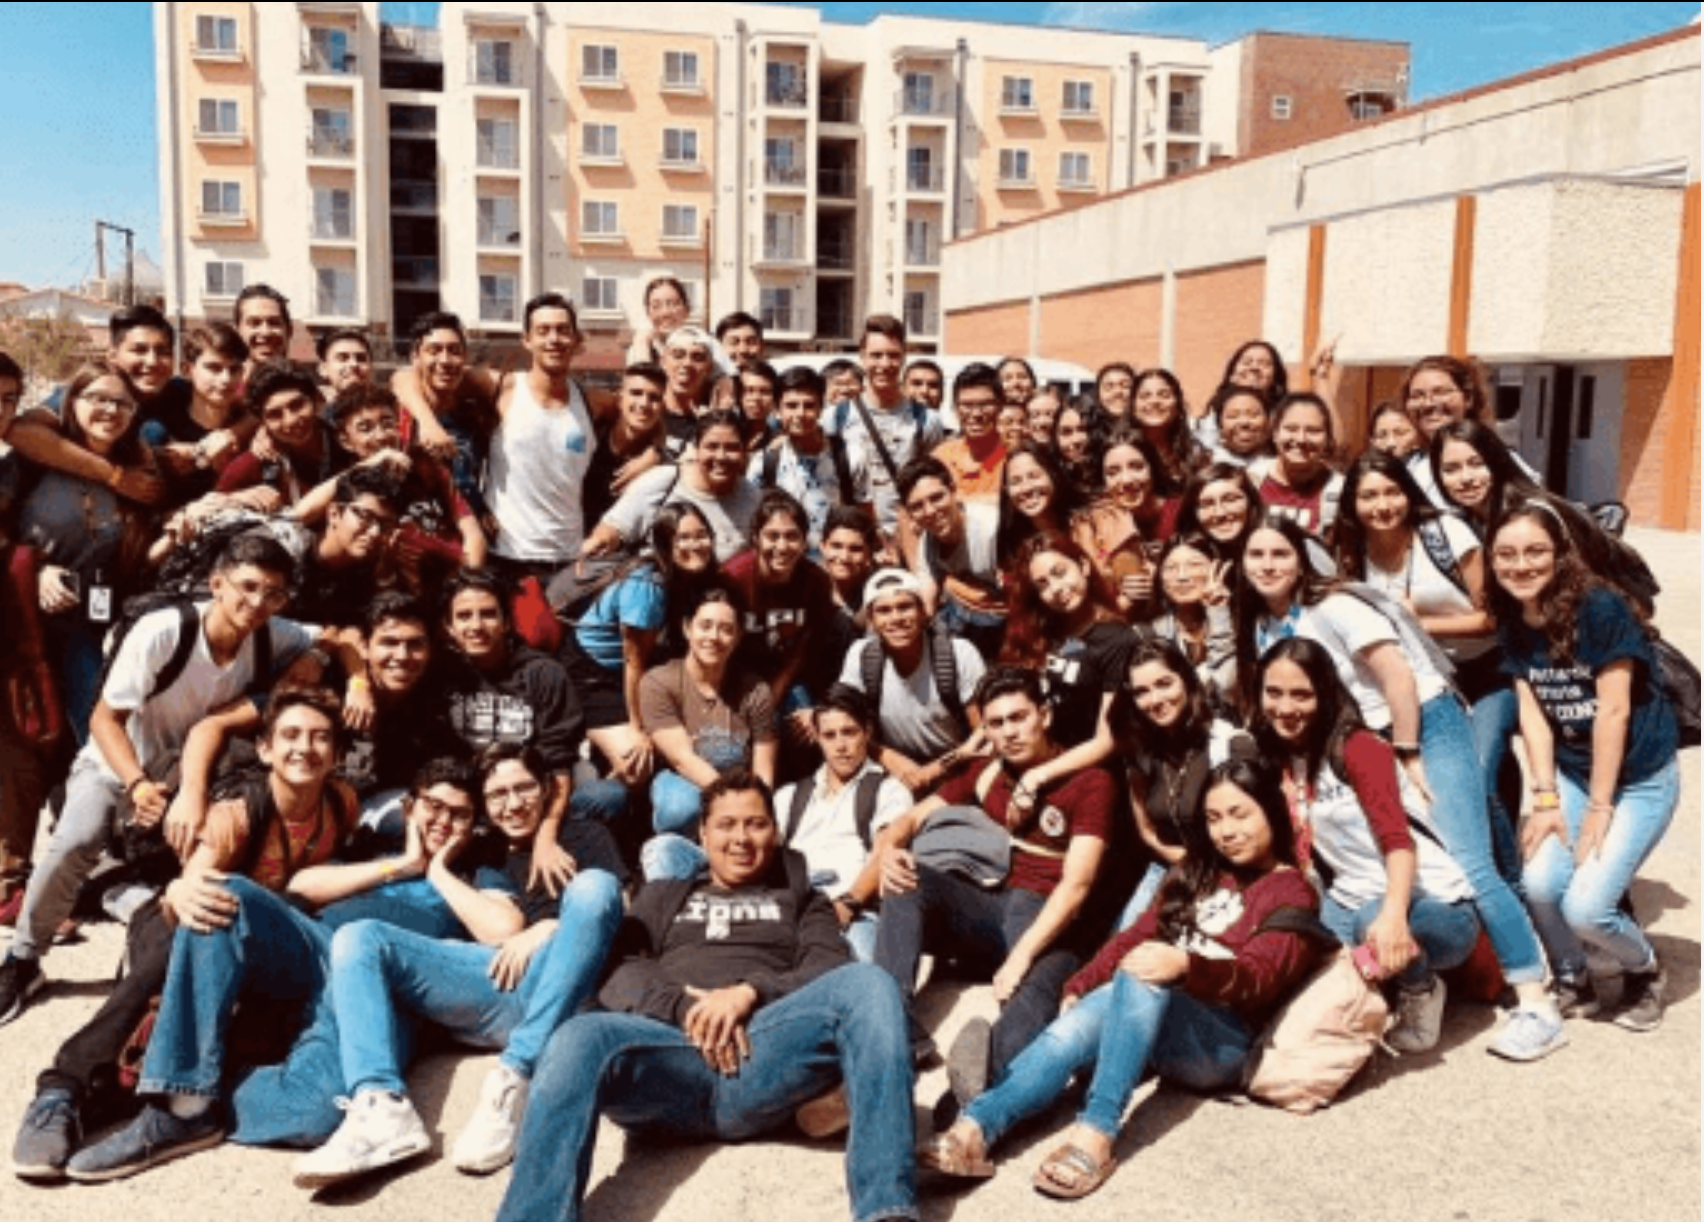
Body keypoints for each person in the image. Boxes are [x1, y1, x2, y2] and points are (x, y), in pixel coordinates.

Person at [492, 769, 918, 1222]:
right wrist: (685, 1006)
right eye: (726, 825)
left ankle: (885, 1209)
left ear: (774, 831)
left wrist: (749, 992)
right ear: (702, 833)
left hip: (761, 1055)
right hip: (668, 1060)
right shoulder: (663, 895)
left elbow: (829, 966)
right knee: (578, 1036)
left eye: (755, 823)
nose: (741, 838)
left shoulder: (802, 900)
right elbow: (618, 969)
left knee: (871, 983)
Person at [1235, 514, 1565, 1060]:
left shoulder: (1335, 607)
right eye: (1256, 556)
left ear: (1301, 561)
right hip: (1360, 737)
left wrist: (1408, 752)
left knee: (1467, 861)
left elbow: (1399, 677)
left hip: (1422, 723)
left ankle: (1536, 999)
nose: (1268, 566)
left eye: (1280, 554)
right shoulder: (1264, 624)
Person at [11, 689, 375, 1181]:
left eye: (320, 738)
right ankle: (64, 1086)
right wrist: (182, 890)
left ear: (337, 753)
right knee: (194, 926)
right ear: (265, 749)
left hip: (255, 946)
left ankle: (130, 1093)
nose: (304, 748)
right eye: (290, 735)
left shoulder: (341, 803)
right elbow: (192, 887)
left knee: (248, 1029)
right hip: (184, 920)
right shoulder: (241, 812)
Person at [922, 759, 1319, 1200]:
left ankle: (1096, 1131)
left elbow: (1259, 979)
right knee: (1108, 992)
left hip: (1221, 1042)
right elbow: (1137, 932)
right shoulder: (1197, 870)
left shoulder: (1291, 891)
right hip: (1160, 1017)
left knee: (1146, 970)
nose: (1226, 831)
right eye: (1214, 818)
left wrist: (1186, 965)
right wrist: (1080, 985)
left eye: (1240, 814)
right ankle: (977, 1126)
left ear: (1271, 811)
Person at [0, 532, 332, 1026]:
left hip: (193, 775)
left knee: (201, 867)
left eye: (273, 593)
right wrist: (136, 784)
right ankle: (23, 960)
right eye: (247, 587)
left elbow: (339, 636)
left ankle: (143, 937)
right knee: (75, 841)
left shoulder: (271, 632)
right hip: (121, 764)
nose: (258, 602)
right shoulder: (163, 631)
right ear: (216, 584)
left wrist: (325, 664)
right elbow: (103, 720)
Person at [292, 745, 631, 1188]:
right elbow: (497, 929)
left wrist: (548, 928)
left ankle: (514, 1077)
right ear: (484, 810)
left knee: (593, 886)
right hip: (498, 983)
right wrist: (433, 870)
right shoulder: (482, 852)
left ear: (546, 789)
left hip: (564, 976)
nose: (513, 803)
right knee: (361, 937)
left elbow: (616, 903)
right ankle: (381, 1107)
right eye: (498, 794)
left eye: (524, 788)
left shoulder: (582, 834)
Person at [874, 666, 1114, 1098]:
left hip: (1051, 920)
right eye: (996, 724)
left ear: (1045, 716)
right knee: (906, 879)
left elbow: (1076, 887)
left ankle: (969, 1096)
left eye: (1019, 718)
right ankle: (891, 1026)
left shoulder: (1089, 782)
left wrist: (1020, 958)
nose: (1009, 733)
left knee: (1035, 994)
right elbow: (908, 819)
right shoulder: (987, 771)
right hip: (994, 907)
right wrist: (890, 849)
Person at [1487, 502, 1680, 1032]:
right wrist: (1546, 797)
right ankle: (1578, 976)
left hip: (1638, 778)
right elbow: (1534, 709)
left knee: (1587, 907)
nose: (1520, 565)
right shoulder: (1511, 612)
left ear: (1559, 554)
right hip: (1572, 773)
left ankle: (1644, 970)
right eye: (1506, 554)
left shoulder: (1599, 607)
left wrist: (1600, 807)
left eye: (1534, 552)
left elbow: (1613, 710)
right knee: (1542, 884)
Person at [1251, 638, 1482, 1054]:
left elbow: (1398, 842)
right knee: (1310, 981)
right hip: (1348, 896)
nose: (1285, 708)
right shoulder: (1281, 754)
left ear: (1326, 692)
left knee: (1372, 922)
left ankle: (1421, 990)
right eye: (1274, 693)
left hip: (1434, 906)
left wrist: (1393, 916)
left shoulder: (1359, 747)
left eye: (1302, 694)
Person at [1335, 451, 1520, 880]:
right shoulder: (1351, 550)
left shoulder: (1443, 533)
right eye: (1368, 496)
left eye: (1391, 492)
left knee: (1479, 772)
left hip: (1485, 672)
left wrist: (1418, 622)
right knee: (1434, 788)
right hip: (1425, 682)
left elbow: (1493, 616)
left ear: (1408, 492)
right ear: (1352, 504)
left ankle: (1511, 885)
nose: (1382, 505)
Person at [12, 360, 160, 744]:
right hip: (30, 620)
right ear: (71, 401)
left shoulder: (141, 470)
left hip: (96, 625)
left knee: (97, 732)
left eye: (122, 403)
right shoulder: (36, 459)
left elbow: (141, 560)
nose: (110, 411)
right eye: (97, 398)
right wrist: (38, 570)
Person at [438, 568, 622, 852]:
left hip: (534, 798)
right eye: (464, 616)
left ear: (507, 621)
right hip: (472, 801)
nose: (476, 626)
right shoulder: (441, 677)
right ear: (448, 627)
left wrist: (546, 835)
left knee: (608, 795)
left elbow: (558, 761)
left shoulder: (543, 674)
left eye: (488, 614)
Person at [557, 503, 717, 787]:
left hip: (647, 668)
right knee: (637, 764)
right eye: (683, 538)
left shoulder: (696, 579)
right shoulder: (648, 586)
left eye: (702, 535)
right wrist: (639, 729)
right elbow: (634, 661)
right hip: (595, 673)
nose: (695, 544)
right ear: (666, 545)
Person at [1431, 420, 1657, 614]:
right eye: (1451, 469)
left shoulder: (1530, 514)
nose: (1466, 478)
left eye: (1477, 464)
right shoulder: (1469, 519)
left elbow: (1571, 591)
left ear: (1497, 461)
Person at [768, 687, 914, 961]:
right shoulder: (789, 796)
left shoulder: (889, 791)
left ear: (867, 732)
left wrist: (847, 904)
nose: (840, 746)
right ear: (817, 738)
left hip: (854, 913)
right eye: (830, 735)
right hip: (793, 910)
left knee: (865, 974)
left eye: (849, 732)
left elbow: (884, 851)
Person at [1120, 639, 1254, 921]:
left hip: (1228, 872)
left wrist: (1204, 871)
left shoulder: (1228, 745)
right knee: (1121, 955)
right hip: (1167, 867)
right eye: (1141, 692)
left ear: (1187, 680)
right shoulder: (1141, 750)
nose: (1155, 700)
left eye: (1164, 684)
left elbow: (1253, 833)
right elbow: (1146, 828)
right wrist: (1180, 860)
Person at [638, 583, 778, 850]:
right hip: (685, 780)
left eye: (726, 630)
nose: (714, 637)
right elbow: (682, 759)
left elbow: (764, 768)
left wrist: (758, 808)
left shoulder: (756, 690)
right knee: (680, 809)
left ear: (738, 637)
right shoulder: (658, 682)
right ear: (687, 628)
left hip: (740, 785)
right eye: (705, 626)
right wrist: (732, 803)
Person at [1000, 533, 1139, 798]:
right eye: (1042, 584)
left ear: (1084, 567)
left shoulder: (1117, 639)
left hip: (1090, 776)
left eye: (1060, 572)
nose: (1056, 588)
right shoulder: (1042, 632)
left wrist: (1040, 775)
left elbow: (1107, 740)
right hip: (1039, 760)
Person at [482, 293, 601, 585]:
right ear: (526, 340)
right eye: (543, 330)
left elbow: (650, 415)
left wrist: (651, 455)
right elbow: (407, 378)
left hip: (569, 560)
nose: (554, 339)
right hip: (507, 556)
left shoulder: (593, 402)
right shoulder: (503, 387)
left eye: (563, 330)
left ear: (576, 340)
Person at [839, 567, 985, 795]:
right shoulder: (861, 656)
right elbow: (845, 726)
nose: (896, 618)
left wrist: (931, 772)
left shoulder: (959, 653)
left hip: (958, 766)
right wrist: (887, 757)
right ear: (871, 620)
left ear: (922, 612)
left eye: (905, 607)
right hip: (895, 770)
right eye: (884, 611)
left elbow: (984, 731)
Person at [590, 409, 764, 563]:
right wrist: (596, 546)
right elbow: (613, 529)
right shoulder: (663, 482)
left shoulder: (755, 500)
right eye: (711, 447)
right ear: (696, 449)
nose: (721, 456)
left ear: (744, 452)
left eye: (731, 448)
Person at [825, 315, 944, 540]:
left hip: (910, 537)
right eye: (876, 355)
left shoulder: (927, 420)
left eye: (893, 355)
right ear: (862, 357)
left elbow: (935, 483)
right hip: (854, 540)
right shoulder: (835, 418)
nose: (884, 364)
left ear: (904, 359)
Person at [392, 310, 500, 524]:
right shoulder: (396, 415)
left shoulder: (473, 415)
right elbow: (399, 377)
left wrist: (482, 510)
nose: (445, 360)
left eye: (454, 351)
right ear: (416, 357)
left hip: (467, 539)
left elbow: (467, 479)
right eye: (434, 350)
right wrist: (427, 422)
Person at [752, 365, 872, 551]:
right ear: (777, 410)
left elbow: (866, 516)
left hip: (836, 564)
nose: (800, 414)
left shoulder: (850, 456)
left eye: (809, 405)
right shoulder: (764, 463)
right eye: (791, 406)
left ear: (821, 408)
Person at [899, 456, 1006, 659]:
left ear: (953, 490)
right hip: (971, 619)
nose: (930, 511)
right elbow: (926, 596)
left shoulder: (991, 530)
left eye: (936, 498)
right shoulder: (927, 542)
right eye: (917, 506)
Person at [142, 323, 253, 502]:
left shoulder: (251, 430)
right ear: (188, 370)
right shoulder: (162, 429)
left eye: (234, 370)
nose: (226, 379)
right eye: (214, 368)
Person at [1071, 425, 1172, 617]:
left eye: (1136, 467)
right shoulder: (1091, 524)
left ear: (1153, 468)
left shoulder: (1177, 512)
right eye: (1113, 472)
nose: (1125, 480)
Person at [216, 365, 337, 511]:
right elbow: (212, 505)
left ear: (315, 402)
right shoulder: (254, 463)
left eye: (297, 405)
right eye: (275, 414)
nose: (290, 420)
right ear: (262, 422)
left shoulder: (347, 443)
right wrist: (236, 499)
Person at [1146, 533, 1236, 705]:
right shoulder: (1151, 633)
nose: (1182, 577)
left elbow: (1226, 686)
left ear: (1216, 568)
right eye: (1171, 568)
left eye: (1194, 565)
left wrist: (1218, 613)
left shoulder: (1238, 624)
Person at [1247, 392, 1343, 540]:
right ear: (1274, 434)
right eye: (1291, 429)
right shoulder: (1250, 479)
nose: (1301, 439)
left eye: (1313, 431)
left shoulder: (1341, 489)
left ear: (1328, 439)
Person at [929, 363, 1006, 505]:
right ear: (955, 408)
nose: (976, 414)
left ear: (1000, 406)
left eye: (985, 404)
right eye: (967, 405)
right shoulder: (941, 458)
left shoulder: (1015, 457)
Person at [1129, 368, 1201, 495]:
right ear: (1133, 407)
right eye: (1145, 396)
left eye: (1164, 395)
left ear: (1178, 405)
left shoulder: (1196, 453)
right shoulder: (1118, 450)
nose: (1154, 401)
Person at [657, 325, 719, 456]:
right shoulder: (646, 410)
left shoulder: (713, 421)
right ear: (663, 362)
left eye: (697, 357)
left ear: (709, 368)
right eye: (678, 355)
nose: (687, 364)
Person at [1204, 380, 1274, 468]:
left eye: (1253, 414)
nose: (1244, 422)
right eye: (1233, 416)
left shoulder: (1281, 469)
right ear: (1219, 424)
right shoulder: (1205, 467)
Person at [233, 284, 293, 369]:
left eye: (274, 323)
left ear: (289, 330)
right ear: (236, 332)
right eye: (255, 323)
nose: (265, 332)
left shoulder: (307, 381)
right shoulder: (222, 382)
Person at [315, 328, 373, 397]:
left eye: (361, 359)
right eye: (343, 358)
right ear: (323, 369)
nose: (354, 364)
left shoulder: (385, 406)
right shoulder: (309, 405)